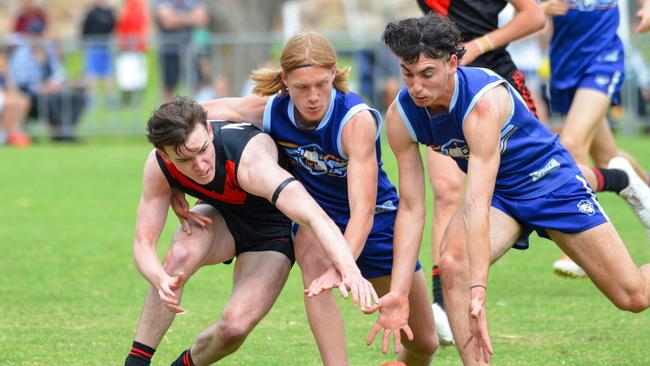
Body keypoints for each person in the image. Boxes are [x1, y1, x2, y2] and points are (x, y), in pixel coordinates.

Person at [381, 13, 650, 364]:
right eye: (408, 74)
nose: (416, 86)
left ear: (452, 63)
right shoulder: (401, 115)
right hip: (501, 197)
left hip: (550, 183)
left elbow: (476, 199)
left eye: (427, 74)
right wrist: (400, 292)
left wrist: (479, 289)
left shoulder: (481, 103)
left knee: (634, 297)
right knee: (452, 264)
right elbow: (413, 208)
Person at [190, 32, 438, 364]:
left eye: (321, 84)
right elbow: (191, 116)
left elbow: (362, 212)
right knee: (311, 250)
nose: (313, 97)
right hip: (317, 222)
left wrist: (345, 267)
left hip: (375, 223)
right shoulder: (271, 109)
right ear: (284, 80)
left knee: (424, 344)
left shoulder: (356, 120)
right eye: (301, 87)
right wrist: (174, 176)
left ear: (334, 73)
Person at [123, 97, 376, 366]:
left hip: (272, 230)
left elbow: (315, 217)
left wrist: (349, 269)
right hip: (219, 217)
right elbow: (143, 243)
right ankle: (136, 362)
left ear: (209, 130)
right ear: (165, 155)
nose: (200, 165)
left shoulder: (250, 161)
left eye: (203, 150)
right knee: (180, 254)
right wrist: (159, 278)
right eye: (185, 159)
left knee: (234, 327)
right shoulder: (159, 165)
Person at [416, 0, 545, 345]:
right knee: (445, 191)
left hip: (497, 83)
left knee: (539, 182)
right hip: (445, 90)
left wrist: (478, 45)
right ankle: (441, 304)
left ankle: (617, 179)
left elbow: (534, 17)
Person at [543, 0, 650, 277]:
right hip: (565, 64)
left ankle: (581, 248)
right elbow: (527, 12)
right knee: (607, 156)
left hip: (603, 60)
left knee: (572, 143)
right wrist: (542, 8)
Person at [153, 0, 208, 102]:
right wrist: (190, 18)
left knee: (199, 86)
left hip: (191, 49)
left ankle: (198, 116)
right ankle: (167, 117)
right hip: (169, 50)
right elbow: (167, 21)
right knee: (169, 89)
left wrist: (176, 17)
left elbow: (202, 19)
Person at [81, 0, 116, 107]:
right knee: (95, 74)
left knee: (103, 74)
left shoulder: (95, 12)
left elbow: (85, 28)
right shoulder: (104, 12)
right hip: (97, 45)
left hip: (100, 45)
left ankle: (103, 100)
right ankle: (94, 100)